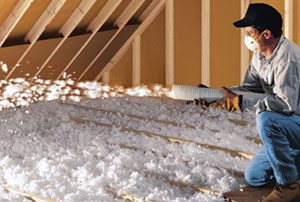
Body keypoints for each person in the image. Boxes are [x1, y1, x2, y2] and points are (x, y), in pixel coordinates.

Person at [232, 3, 300, 201]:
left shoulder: (289, 59)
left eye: (250, 33)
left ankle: (289, 185)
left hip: (293, 119)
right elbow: (249, 88)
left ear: (267, 34)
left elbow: (287, 105)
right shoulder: (259, 57)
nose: (247, 38)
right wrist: (224, 94)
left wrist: (243, 102)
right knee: (255, 177)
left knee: (266, 120)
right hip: (289, 128)